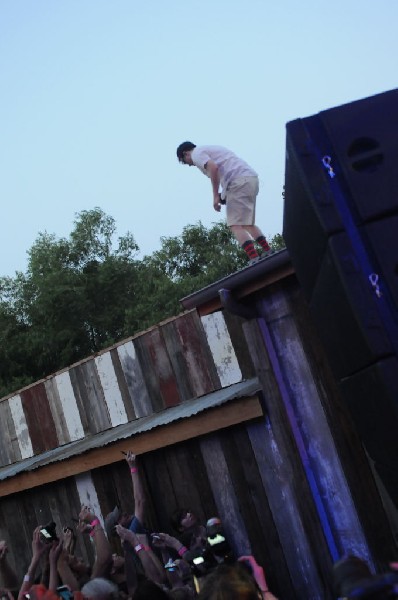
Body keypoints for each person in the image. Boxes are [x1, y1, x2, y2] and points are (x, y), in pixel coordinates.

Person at [176, 142, 273, 263]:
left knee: (235, 224)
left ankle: (254, 258)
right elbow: (224, 170)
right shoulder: (209, 149)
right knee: (246, 223)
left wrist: (216, 196)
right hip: (249, 179)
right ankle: (268, 251)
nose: (189, 165)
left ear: (185, 153)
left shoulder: (196, 154)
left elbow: (213, 168)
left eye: (185, 161)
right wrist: (223, 195)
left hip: (238, 181)